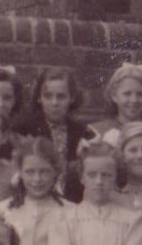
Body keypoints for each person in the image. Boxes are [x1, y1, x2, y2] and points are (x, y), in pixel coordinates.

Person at [47, 140, 142, 245]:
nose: (99, 182)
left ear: (115, 178)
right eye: (92, 175)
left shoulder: (132, 219)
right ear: (82, 177)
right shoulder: (63, 218)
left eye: (106, 175)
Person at [0, 136, 68, 245]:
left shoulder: (70, 211)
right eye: (30, 172)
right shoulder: (1, 210)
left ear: (55, 172)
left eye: (44, 171)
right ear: (20, 172)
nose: (37, 179)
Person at [11, 68, 86, 201]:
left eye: (61, 96)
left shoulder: (81, 131)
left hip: (71, 200)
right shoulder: (24, 128)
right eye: (48, 96)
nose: (54, 103)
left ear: (72, 98)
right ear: (39, 97)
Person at [87, 61, 142, 138]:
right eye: (127, 94)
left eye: (140, 94)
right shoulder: (97, 131)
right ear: (114, 96)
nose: (134, 100)